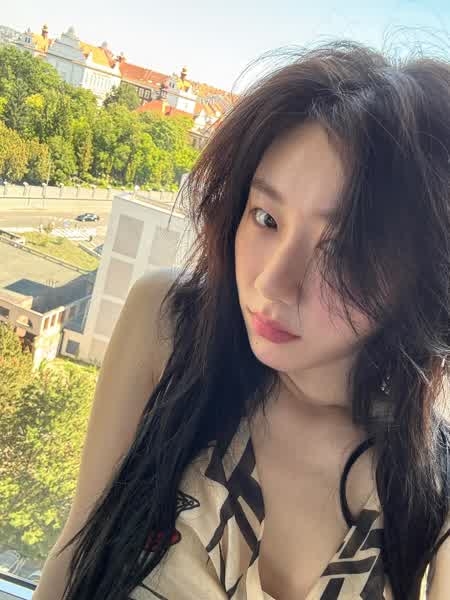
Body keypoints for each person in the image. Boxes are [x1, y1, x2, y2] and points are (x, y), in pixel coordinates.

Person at [32, 41, 450, 600]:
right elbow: (73, 554)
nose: (272, 283)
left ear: (421, 277)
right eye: (266, 218)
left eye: (342, 251)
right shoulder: (171, 330)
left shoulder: (430, 486)